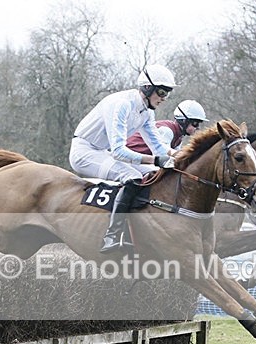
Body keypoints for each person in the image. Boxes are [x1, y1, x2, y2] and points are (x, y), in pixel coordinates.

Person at [69, 64, 178, 253]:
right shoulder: (122, 104)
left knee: (156, 173)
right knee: (133, 177)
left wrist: (183, 156)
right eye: (161, 92)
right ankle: (112, 235)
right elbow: (120, 152)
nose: (163, 99)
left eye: (167, 94)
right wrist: (154, 160)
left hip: (103, 152)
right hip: (84, 152)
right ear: (147, 87)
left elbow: (159, 147)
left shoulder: (147, 111)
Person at [126, 99, 207, 157]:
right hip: (129, 155)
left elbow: (176, 155)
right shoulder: (167, 131)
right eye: (195, 123)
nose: (197, 127)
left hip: (141, 157)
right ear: (184, 121)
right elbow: (163, 156)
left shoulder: (179, 136)